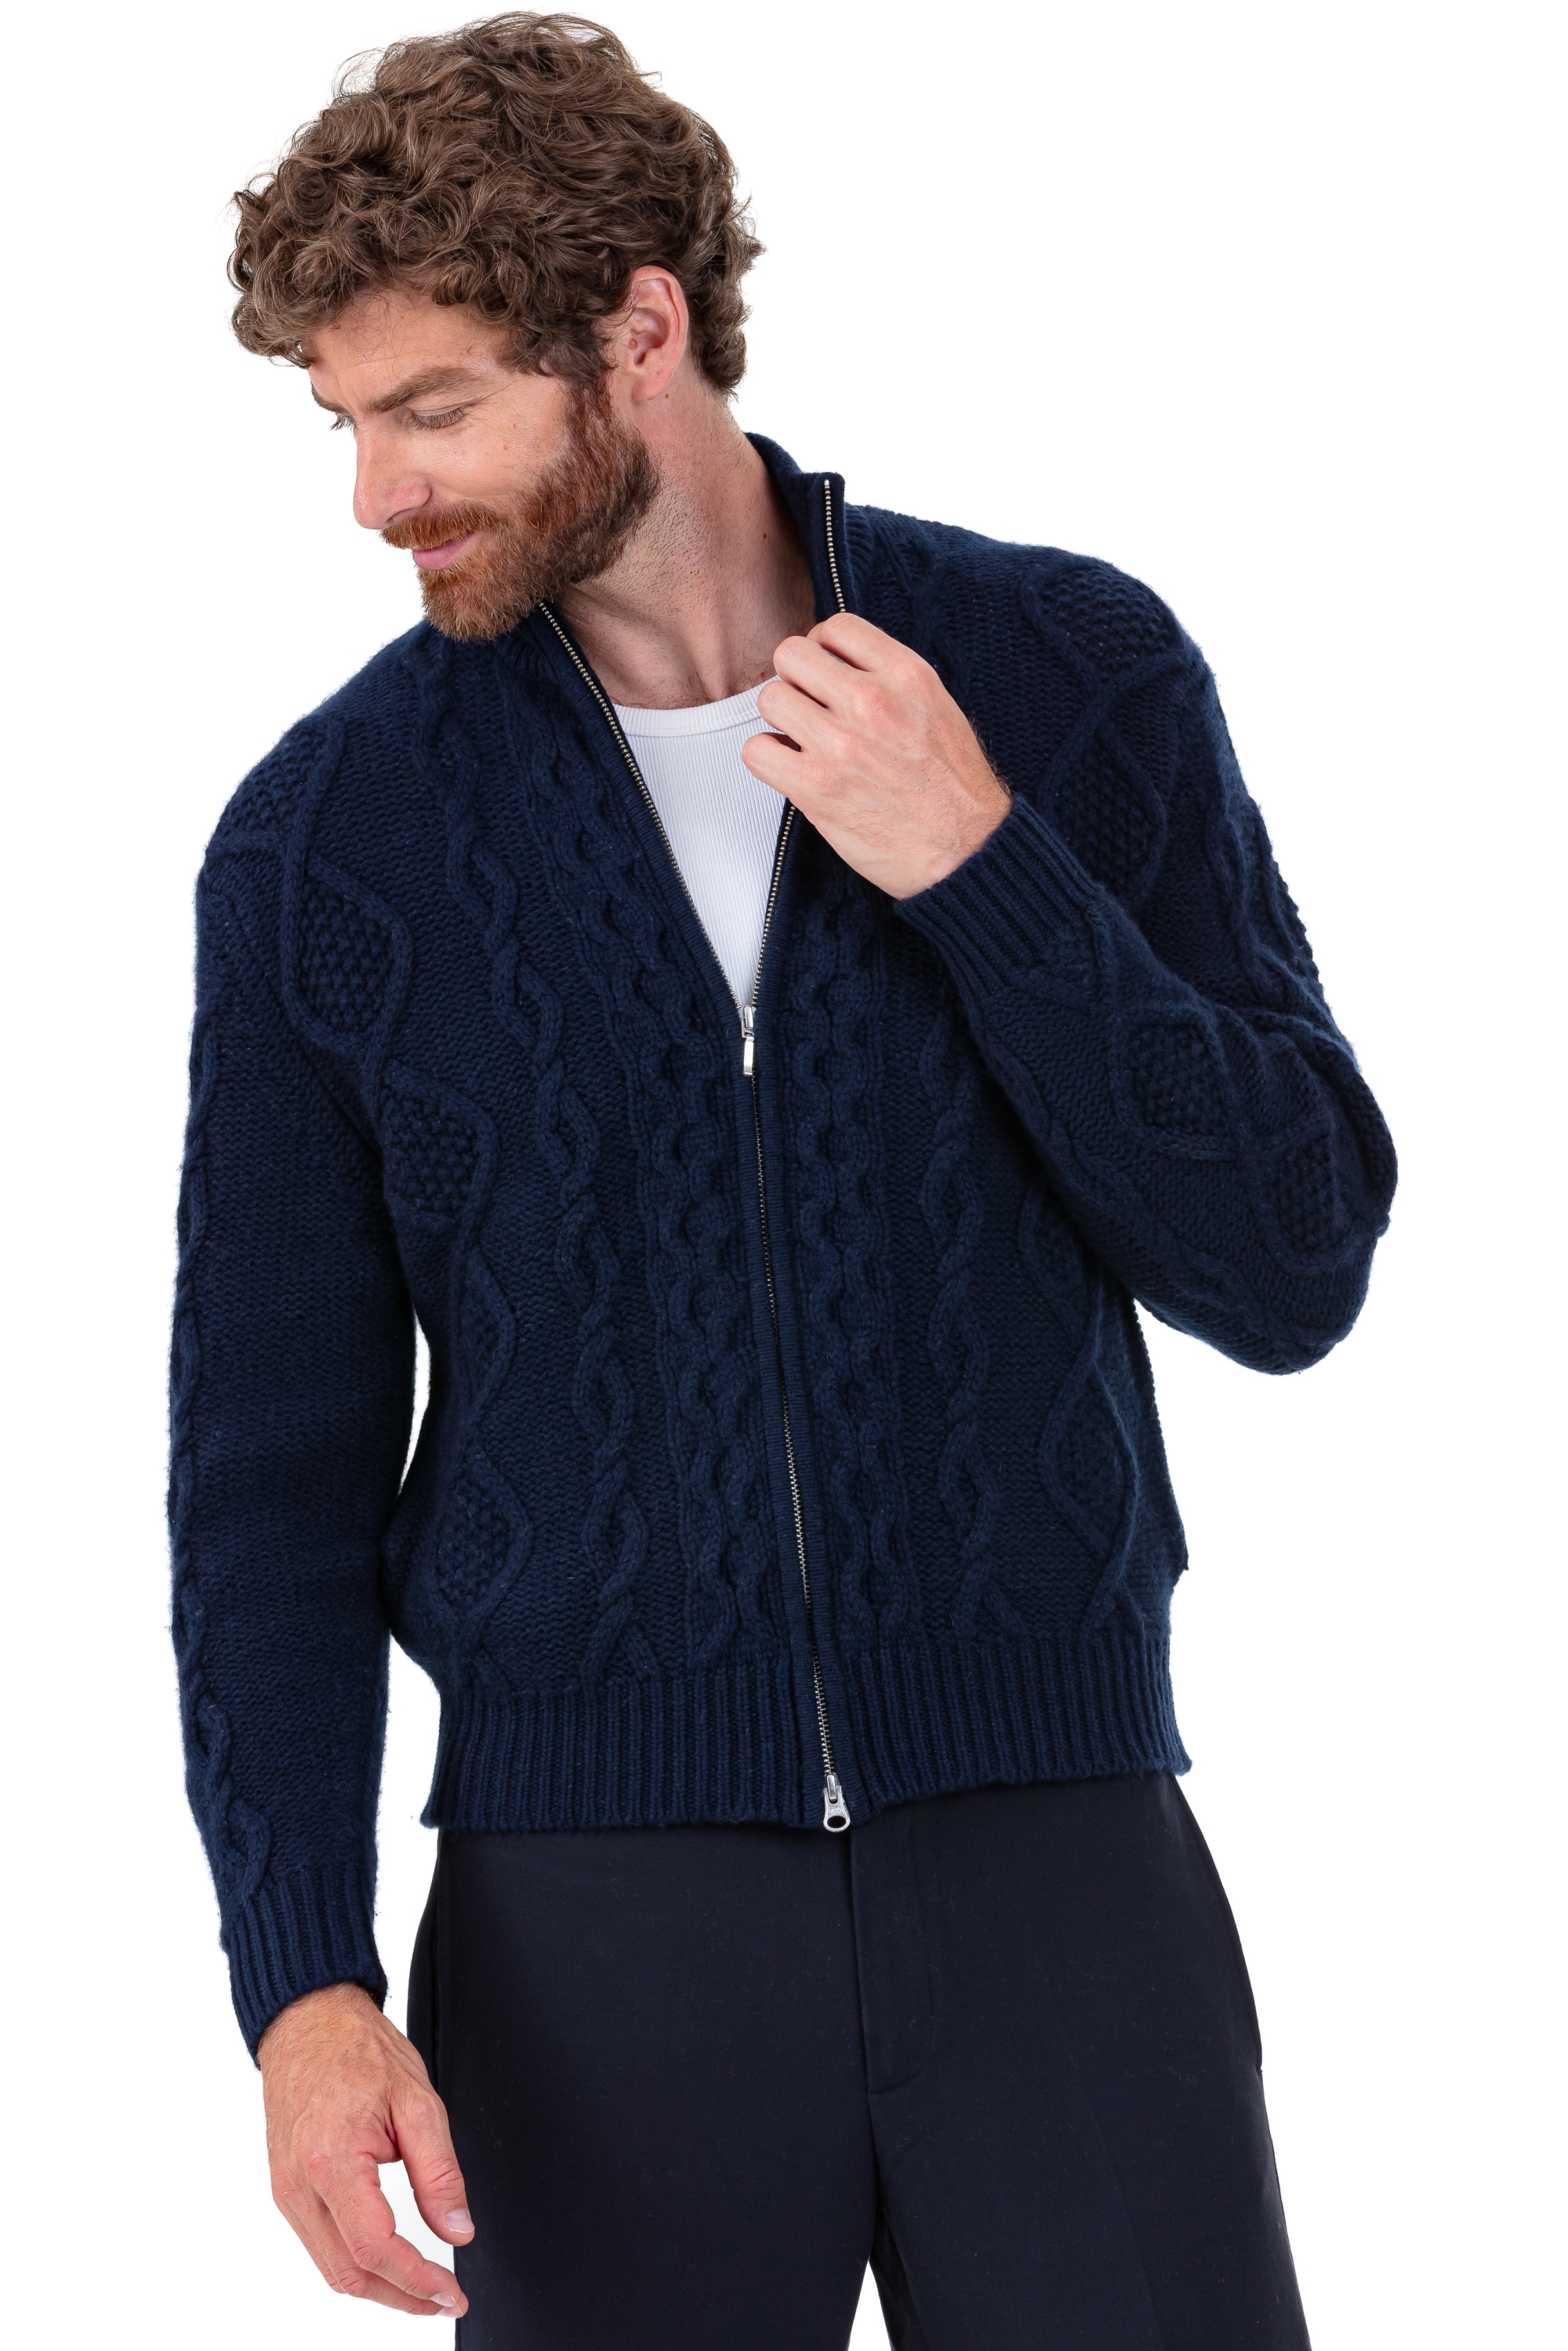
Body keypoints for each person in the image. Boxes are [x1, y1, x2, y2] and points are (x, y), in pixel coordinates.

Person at [171, 14, 1396, 2346]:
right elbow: (266, 1475)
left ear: (639, 330)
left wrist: (985, 868)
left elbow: (1293, 1262)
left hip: (1059, 1867)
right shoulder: (334, 845)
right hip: (588, 1922)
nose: (377, 493)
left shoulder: (1069, 671)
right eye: (344, 423)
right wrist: (301, 1985)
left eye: (435, 410)